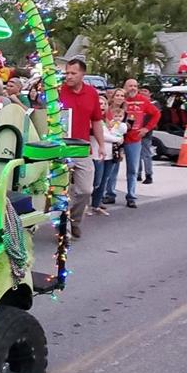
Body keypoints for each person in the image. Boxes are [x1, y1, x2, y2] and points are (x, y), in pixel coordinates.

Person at [58, 58, 105, 238]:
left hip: (82, 147)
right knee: (61, 190)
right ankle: (64, 229)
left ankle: (75, 220)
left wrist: (101, 145)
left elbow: (96, 121)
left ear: (82, 74)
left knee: (85, 190)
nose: (68, 76)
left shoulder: (92, 93)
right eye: (67, 73)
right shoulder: (58, 91)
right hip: (61, 147)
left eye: (73, 73)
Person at [121, 78, 160, 209]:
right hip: (117, 139)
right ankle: (109, 194)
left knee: (132, 169)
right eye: (130, 85)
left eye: (135, 86)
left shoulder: (143, 100)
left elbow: (156, 114)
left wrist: (146, 128)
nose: (132, 88)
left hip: (134, 139)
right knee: (112, 170)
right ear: (125, 87)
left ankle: (131, 196)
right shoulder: (120, 99)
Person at [90, 90, 127, 215]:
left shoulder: (107, 120)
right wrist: (118, 139)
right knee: (96, 181)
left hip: (110, 154)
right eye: (98, 104)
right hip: (97, 154)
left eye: (103, 104)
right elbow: (102, 135)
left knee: (104, 181)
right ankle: (87, 205)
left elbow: (117, 131)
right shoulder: (93, 120)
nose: (101, 106)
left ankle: (96, 205)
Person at [137, 87, 155, 184]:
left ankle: (148, 175)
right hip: (135, 133)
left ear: (150, 94)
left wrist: (146, 129)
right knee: (137, 155)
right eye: (141, 91)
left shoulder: (153, 104)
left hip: (146, 134)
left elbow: (154, 118)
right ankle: (138, 173)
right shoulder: (137, 103)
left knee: (146, 155)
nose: (143, 92)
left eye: (145, 91)